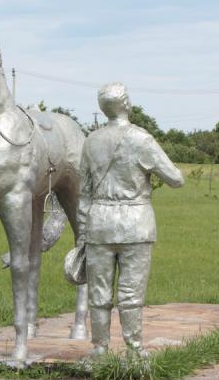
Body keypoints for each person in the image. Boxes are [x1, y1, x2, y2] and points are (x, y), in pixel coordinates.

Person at [77, 83, 184, 359]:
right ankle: (134, 349)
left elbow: (84, 193)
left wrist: (82, 233)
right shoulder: (141, 139)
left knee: (98, 294)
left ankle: (99, 349)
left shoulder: (91, 141)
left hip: (99, 224)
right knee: (131, 293)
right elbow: (175, 178)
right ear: (126, 104)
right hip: (135, 224)